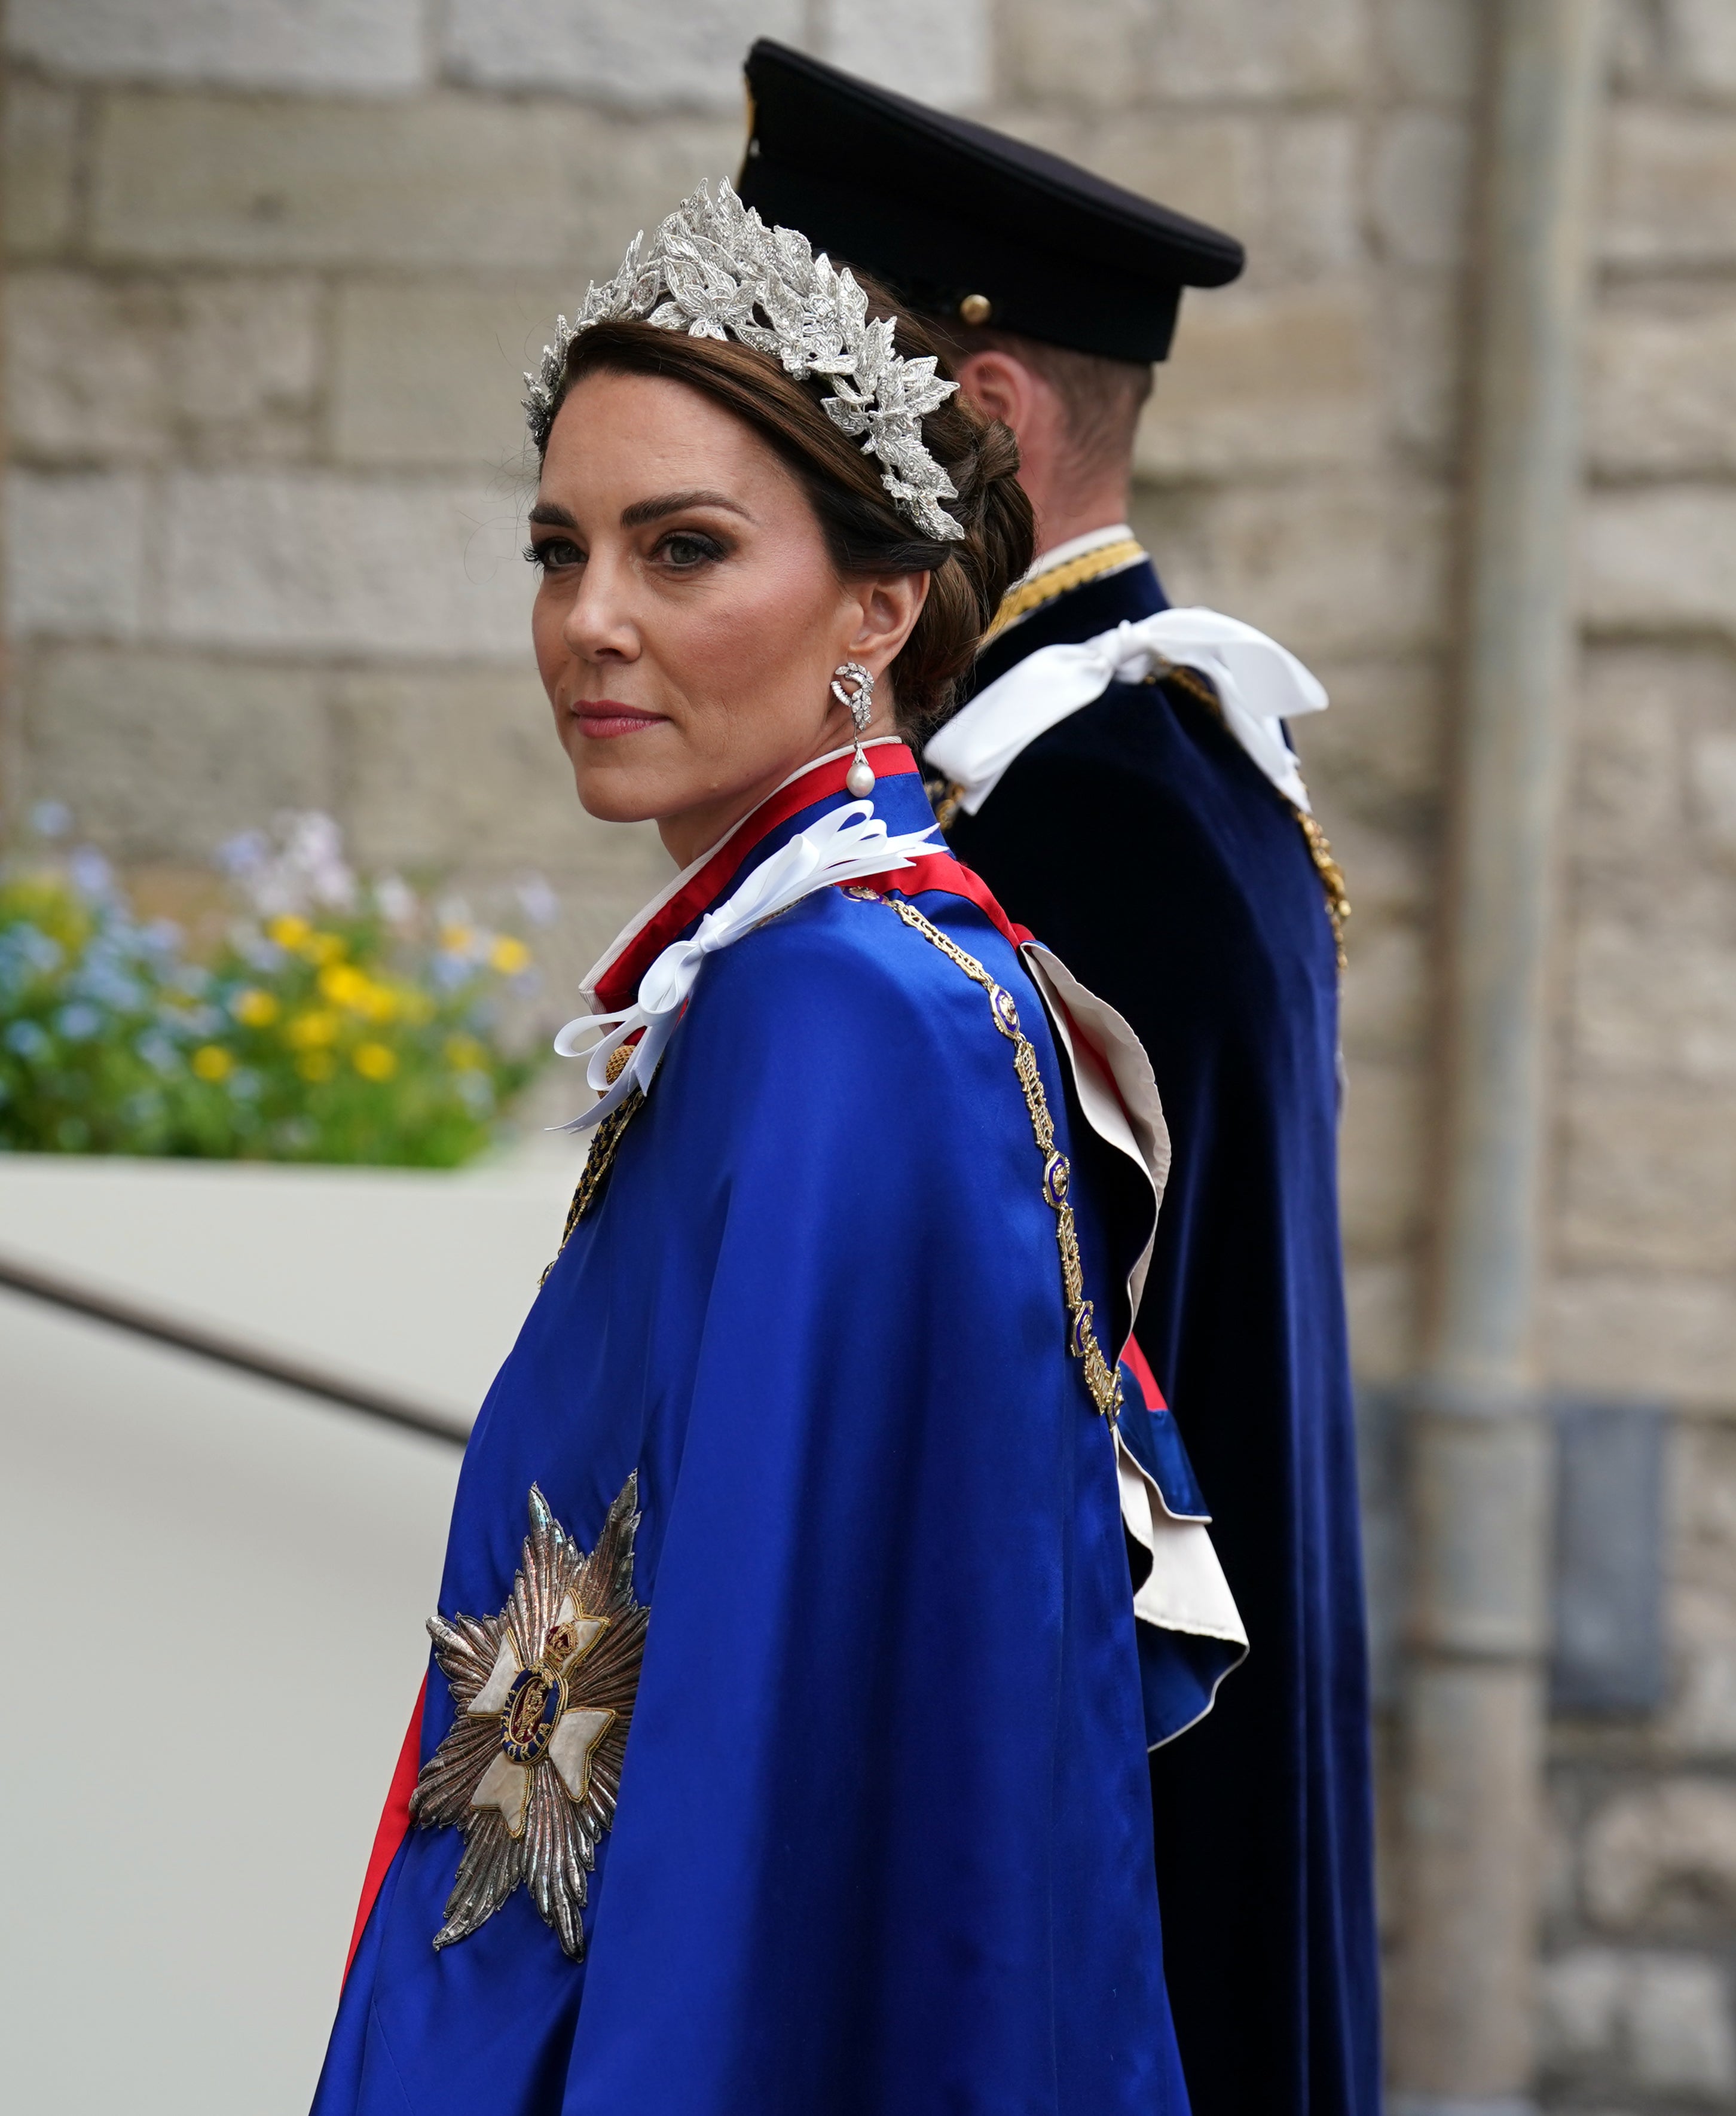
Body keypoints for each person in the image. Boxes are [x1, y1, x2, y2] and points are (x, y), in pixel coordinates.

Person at [313, 179, 1248, 2116]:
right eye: (559, 548)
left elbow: (772, 1729)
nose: (592, 621)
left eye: (683, 550)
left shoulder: (850, 1012)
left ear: (881, 606)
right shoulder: (797, 974)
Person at [739, 42, 1380, 2116]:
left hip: (1069, 1875)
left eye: (806, 397)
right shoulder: (1132, 767)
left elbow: (998, 1464)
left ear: (985, 419)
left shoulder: (1072, 812)